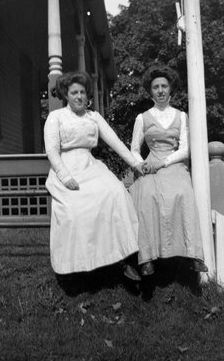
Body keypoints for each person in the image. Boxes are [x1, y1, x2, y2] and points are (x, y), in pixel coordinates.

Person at [44, 71, 144, 280]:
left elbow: (115, 142)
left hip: (90, 166)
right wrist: (65, 177)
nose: (79, 96)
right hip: (67, 169)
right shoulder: (56, 117)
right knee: (75, 210)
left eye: (82, 92)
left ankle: (125, 257)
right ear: (66, 95)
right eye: (74, 93)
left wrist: (136, 163)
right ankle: (76, 267)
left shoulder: (94, 117)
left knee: (116, 193)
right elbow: (52, 151)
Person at [129, 65, 208, 277]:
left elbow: (185, 149)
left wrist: (163, 162)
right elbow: (134, 150)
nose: (161, 90)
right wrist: (142, 164)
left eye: (164, 86)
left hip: (172, 163)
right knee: (146, 195)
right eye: (156, 87)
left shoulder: (181, 116)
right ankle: (147, 258)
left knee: (183, 192)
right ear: (150, 91)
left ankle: (192, 253)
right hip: (150, 164)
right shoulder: (142, 118)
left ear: (170, 89)